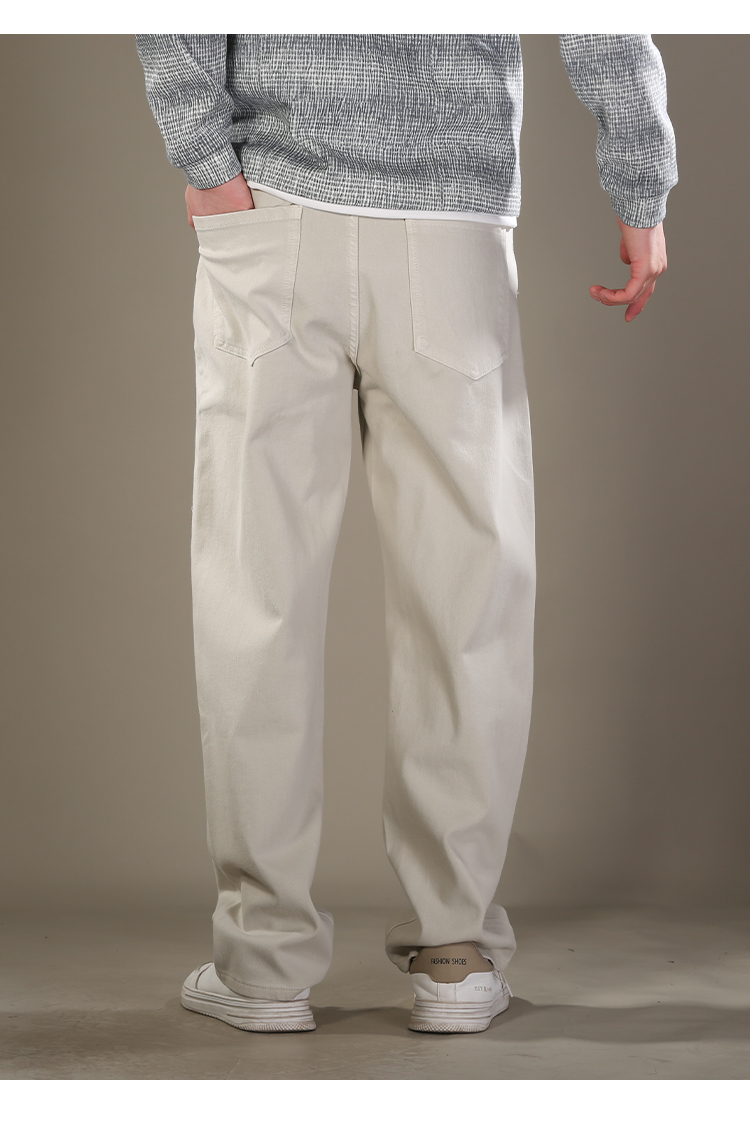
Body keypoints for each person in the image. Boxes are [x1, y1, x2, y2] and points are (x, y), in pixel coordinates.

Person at [135, 33, 677, 1035]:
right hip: (453, 225)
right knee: (467, 602)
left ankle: (263, 964)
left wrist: (205, 160)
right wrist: (640, 189)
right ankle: (454, 951)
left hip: (275, 212)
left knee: (256, 598)